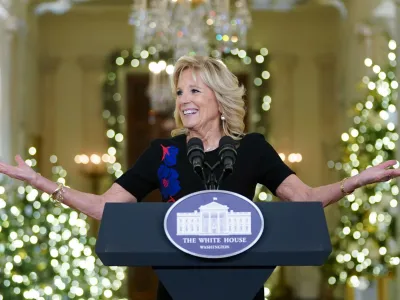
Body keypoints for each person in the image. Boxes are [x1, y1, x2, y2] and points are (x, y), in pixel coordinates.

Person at [0, 55, 399, 300]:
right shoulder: (163, 153)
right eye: (179, 92)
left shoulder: (254, 148)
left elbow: (307, 197)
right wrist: (42, 183)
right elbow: (106, 208)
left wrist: (357, 180)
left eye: (194, 90)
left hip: (242, 286)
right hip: (177, 289)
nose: (184, 100)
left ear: (219, 99)